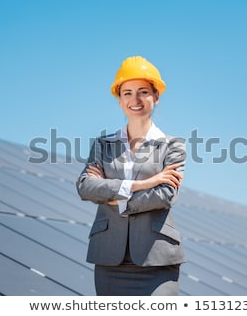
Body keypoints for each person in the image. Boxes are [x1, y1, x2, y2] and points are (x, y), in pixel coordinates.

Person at [76, 56, 186, 295]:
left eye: (143, 92)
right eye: (127, 93)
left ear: (156, 97)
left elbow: (164, 195)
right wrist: (144, 183)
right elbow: (86, 187)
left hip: (157, 258)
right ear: (119, 100)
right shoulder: (103, 145)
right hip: (108, 256)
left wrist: (110, 194)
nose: (134, 100)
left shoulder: (173, 146)